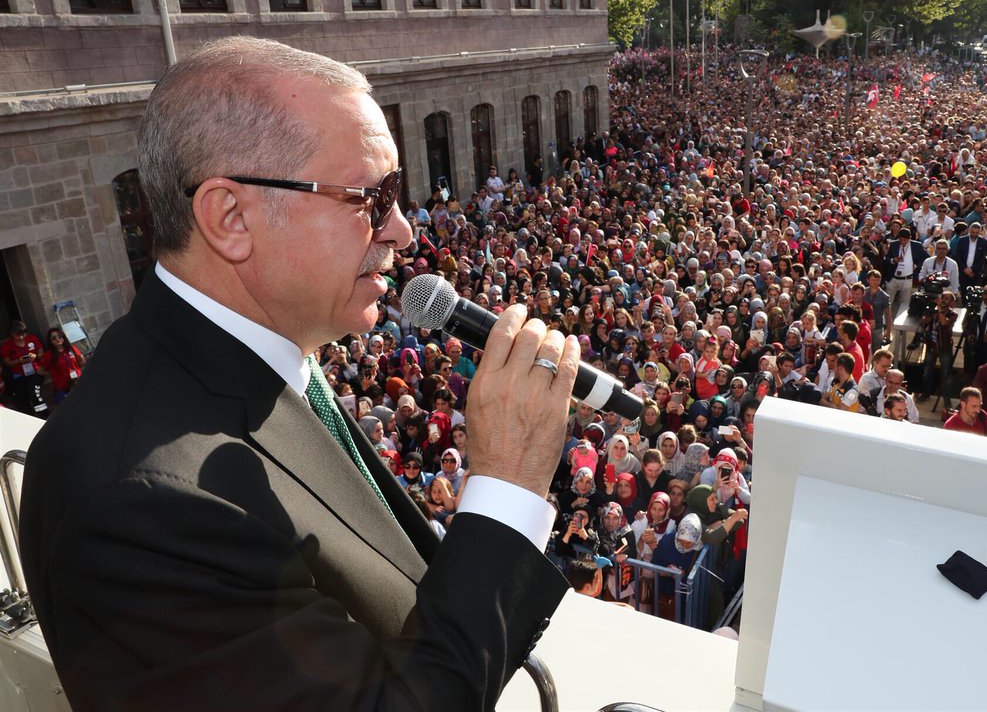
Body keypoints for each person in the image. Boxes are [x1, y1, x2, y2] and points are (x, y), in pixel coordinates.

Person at [19, 37, 580, 712]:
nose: (403, 230)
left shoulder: (258, 355)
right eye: (372, 198)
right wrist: (508, 484)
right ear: (231, 218)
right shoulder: (138, 508)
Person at [40, 326, 87, 404]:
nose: (57, 339)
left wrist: (81, 358)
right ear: (50, 341)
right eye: (54, 338)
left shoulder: (71, 348)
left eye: (59, 336)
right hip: (63, 388)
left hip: (78, 382)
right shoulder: (48, 355)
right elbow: (40, 371)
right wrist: (53, 373)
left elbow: (82, 363)